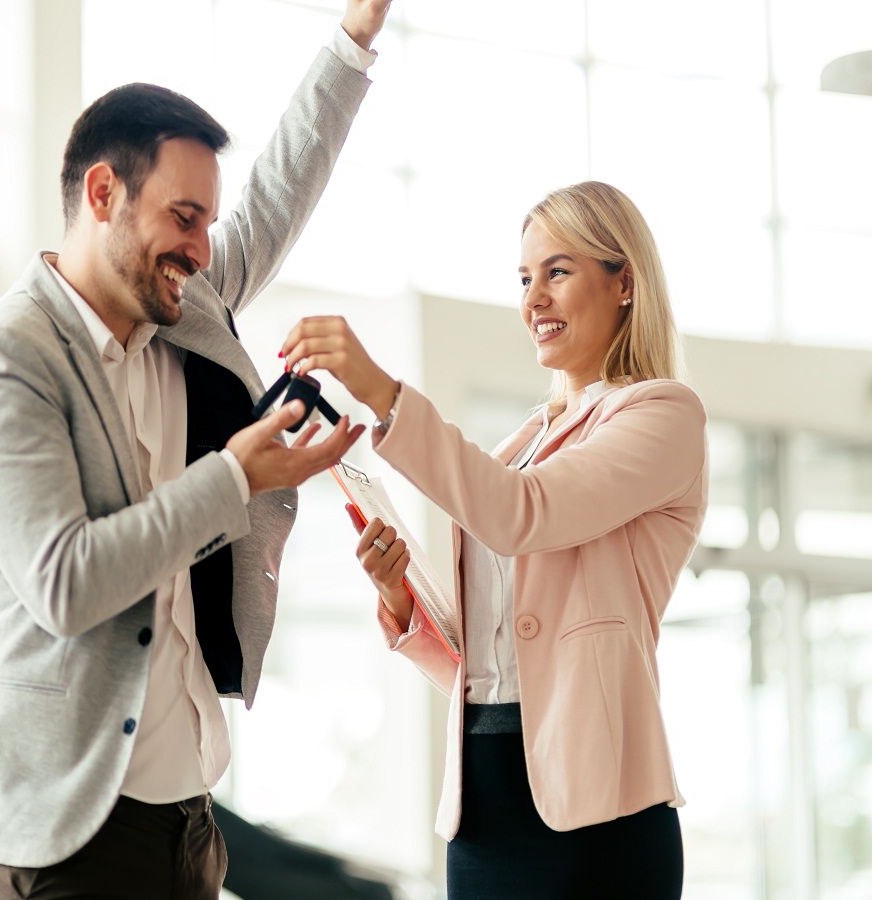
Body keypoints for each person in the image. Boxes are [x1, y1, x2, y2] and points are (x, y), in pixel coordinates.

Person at [0, 2, 391, 897]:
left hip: (189, 821)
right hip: (64, 843)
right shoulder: (5, 362)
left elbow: (278, 192)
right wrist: (236, 477)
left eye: (205, 223)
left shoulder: (178, 303)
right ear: (103, 193)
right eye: (183, 216)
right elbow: (66, 583)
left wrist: (356, 35)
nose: (200, 246)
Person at [280, 180, 708, 899]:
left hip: (599, 817)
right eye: (523, 279)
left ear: (624, 282)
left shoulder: (663, 415)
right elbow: (493, 666)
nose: (533, 299)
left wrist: (383, 393)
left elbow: (522, 513)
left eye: (558, 272)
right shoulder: (520, 445)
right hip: (482, 807)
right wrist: (403, 596)